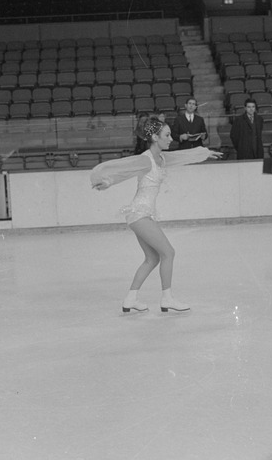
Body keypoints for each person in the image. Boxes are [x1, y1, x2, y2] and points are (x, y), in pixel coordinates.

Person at [90, 119, 223, 314]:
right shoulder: (145, 159)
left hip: (142, 215)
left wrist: (203, 153)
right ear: (154, 137)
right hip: (139, 214)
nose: (171, 138)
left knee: (152, 258)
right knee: (168, 253)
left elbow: (180, 156)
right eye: (167, 135)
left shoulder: (162, 158)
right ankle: (167, 298)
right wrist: (107, 181)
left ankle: (130, 299)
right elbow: (124, 169)